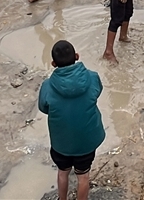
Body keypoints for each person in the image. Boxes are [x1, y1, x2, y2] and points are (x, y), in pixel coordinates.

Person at [38, 40, 105, 200]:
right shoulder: (93, 77)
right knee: (83, 177)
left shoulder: (47, 86)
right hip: (87, 142)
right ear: (76, 56)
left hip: (61, 144)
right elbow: (97, 93)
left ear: (53, 63)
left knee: (63, 173)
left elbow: (43, 108)